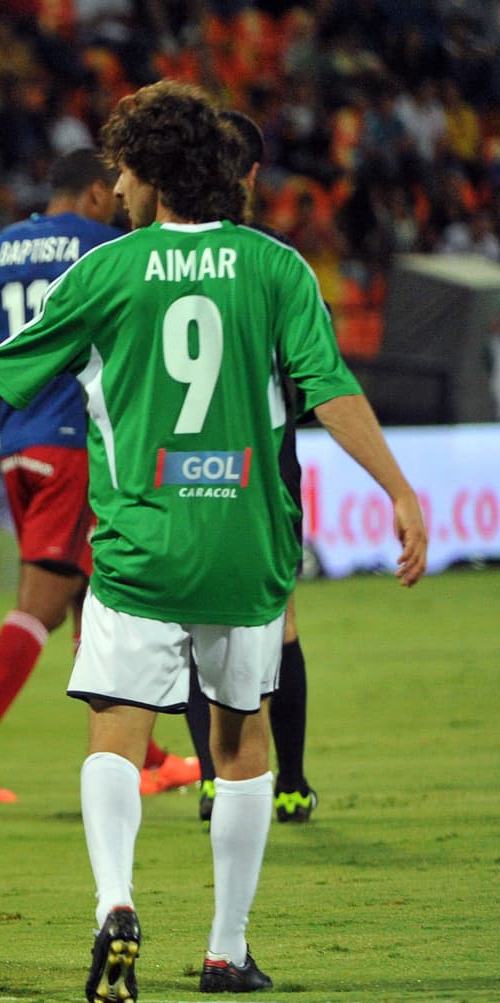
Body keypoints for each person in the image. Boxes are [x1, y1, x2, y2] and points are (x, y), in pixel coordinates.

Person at [0, 80, 427, 1003]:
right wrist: (398, 488)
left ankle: (114, 906)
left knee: (116, 728)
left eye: (125, 172)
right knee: (241, 737)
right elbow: (330, 389)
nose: (119, 189)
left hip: (139, 546)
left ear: (148, 175)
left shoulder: (107, 271)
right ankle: (227, 949)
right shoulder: (278, 269)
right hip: (246, 547)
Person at [0, 148, 198, 802]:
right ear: (97, 195)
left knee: (91, 596)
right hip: (76, 445)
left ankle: (147, 754)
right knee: (41, 605)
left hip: (18, 444)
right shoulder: (105, 244)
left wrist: (9, 418)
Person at [188, 110, 321, 825]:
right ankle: (291, 781)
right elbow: (306, 379)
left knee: (184, 613)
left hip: (170, 460)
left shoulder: (150, 256)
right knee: (281, 619)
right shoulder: (276, 260)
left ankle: (212, 779)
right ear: (252, 176)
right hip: (264, 463)